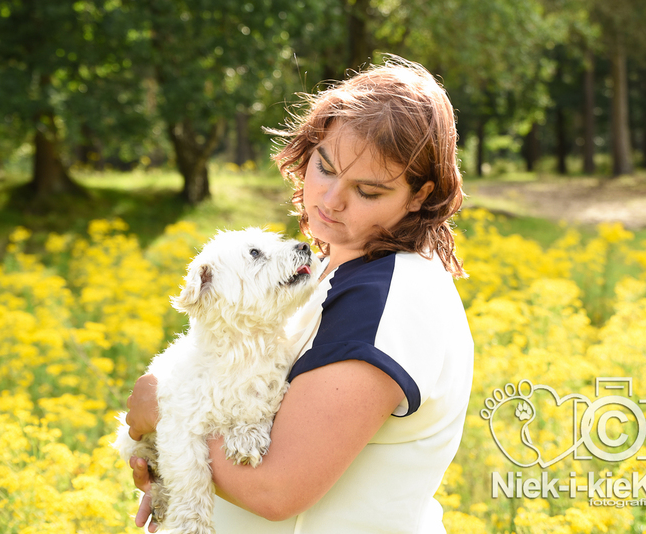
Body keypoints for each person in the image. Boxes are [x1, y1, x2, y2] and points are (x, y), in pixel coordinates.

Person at [125, 55, 474, 534]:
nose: (330, 201)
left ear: (419, 195)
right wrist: (172, 467)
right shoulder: (328, 270)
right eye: (324, 168)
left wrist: (164, 416)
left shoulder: (389, 299)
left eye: (368, 191)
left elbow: (278, 489)